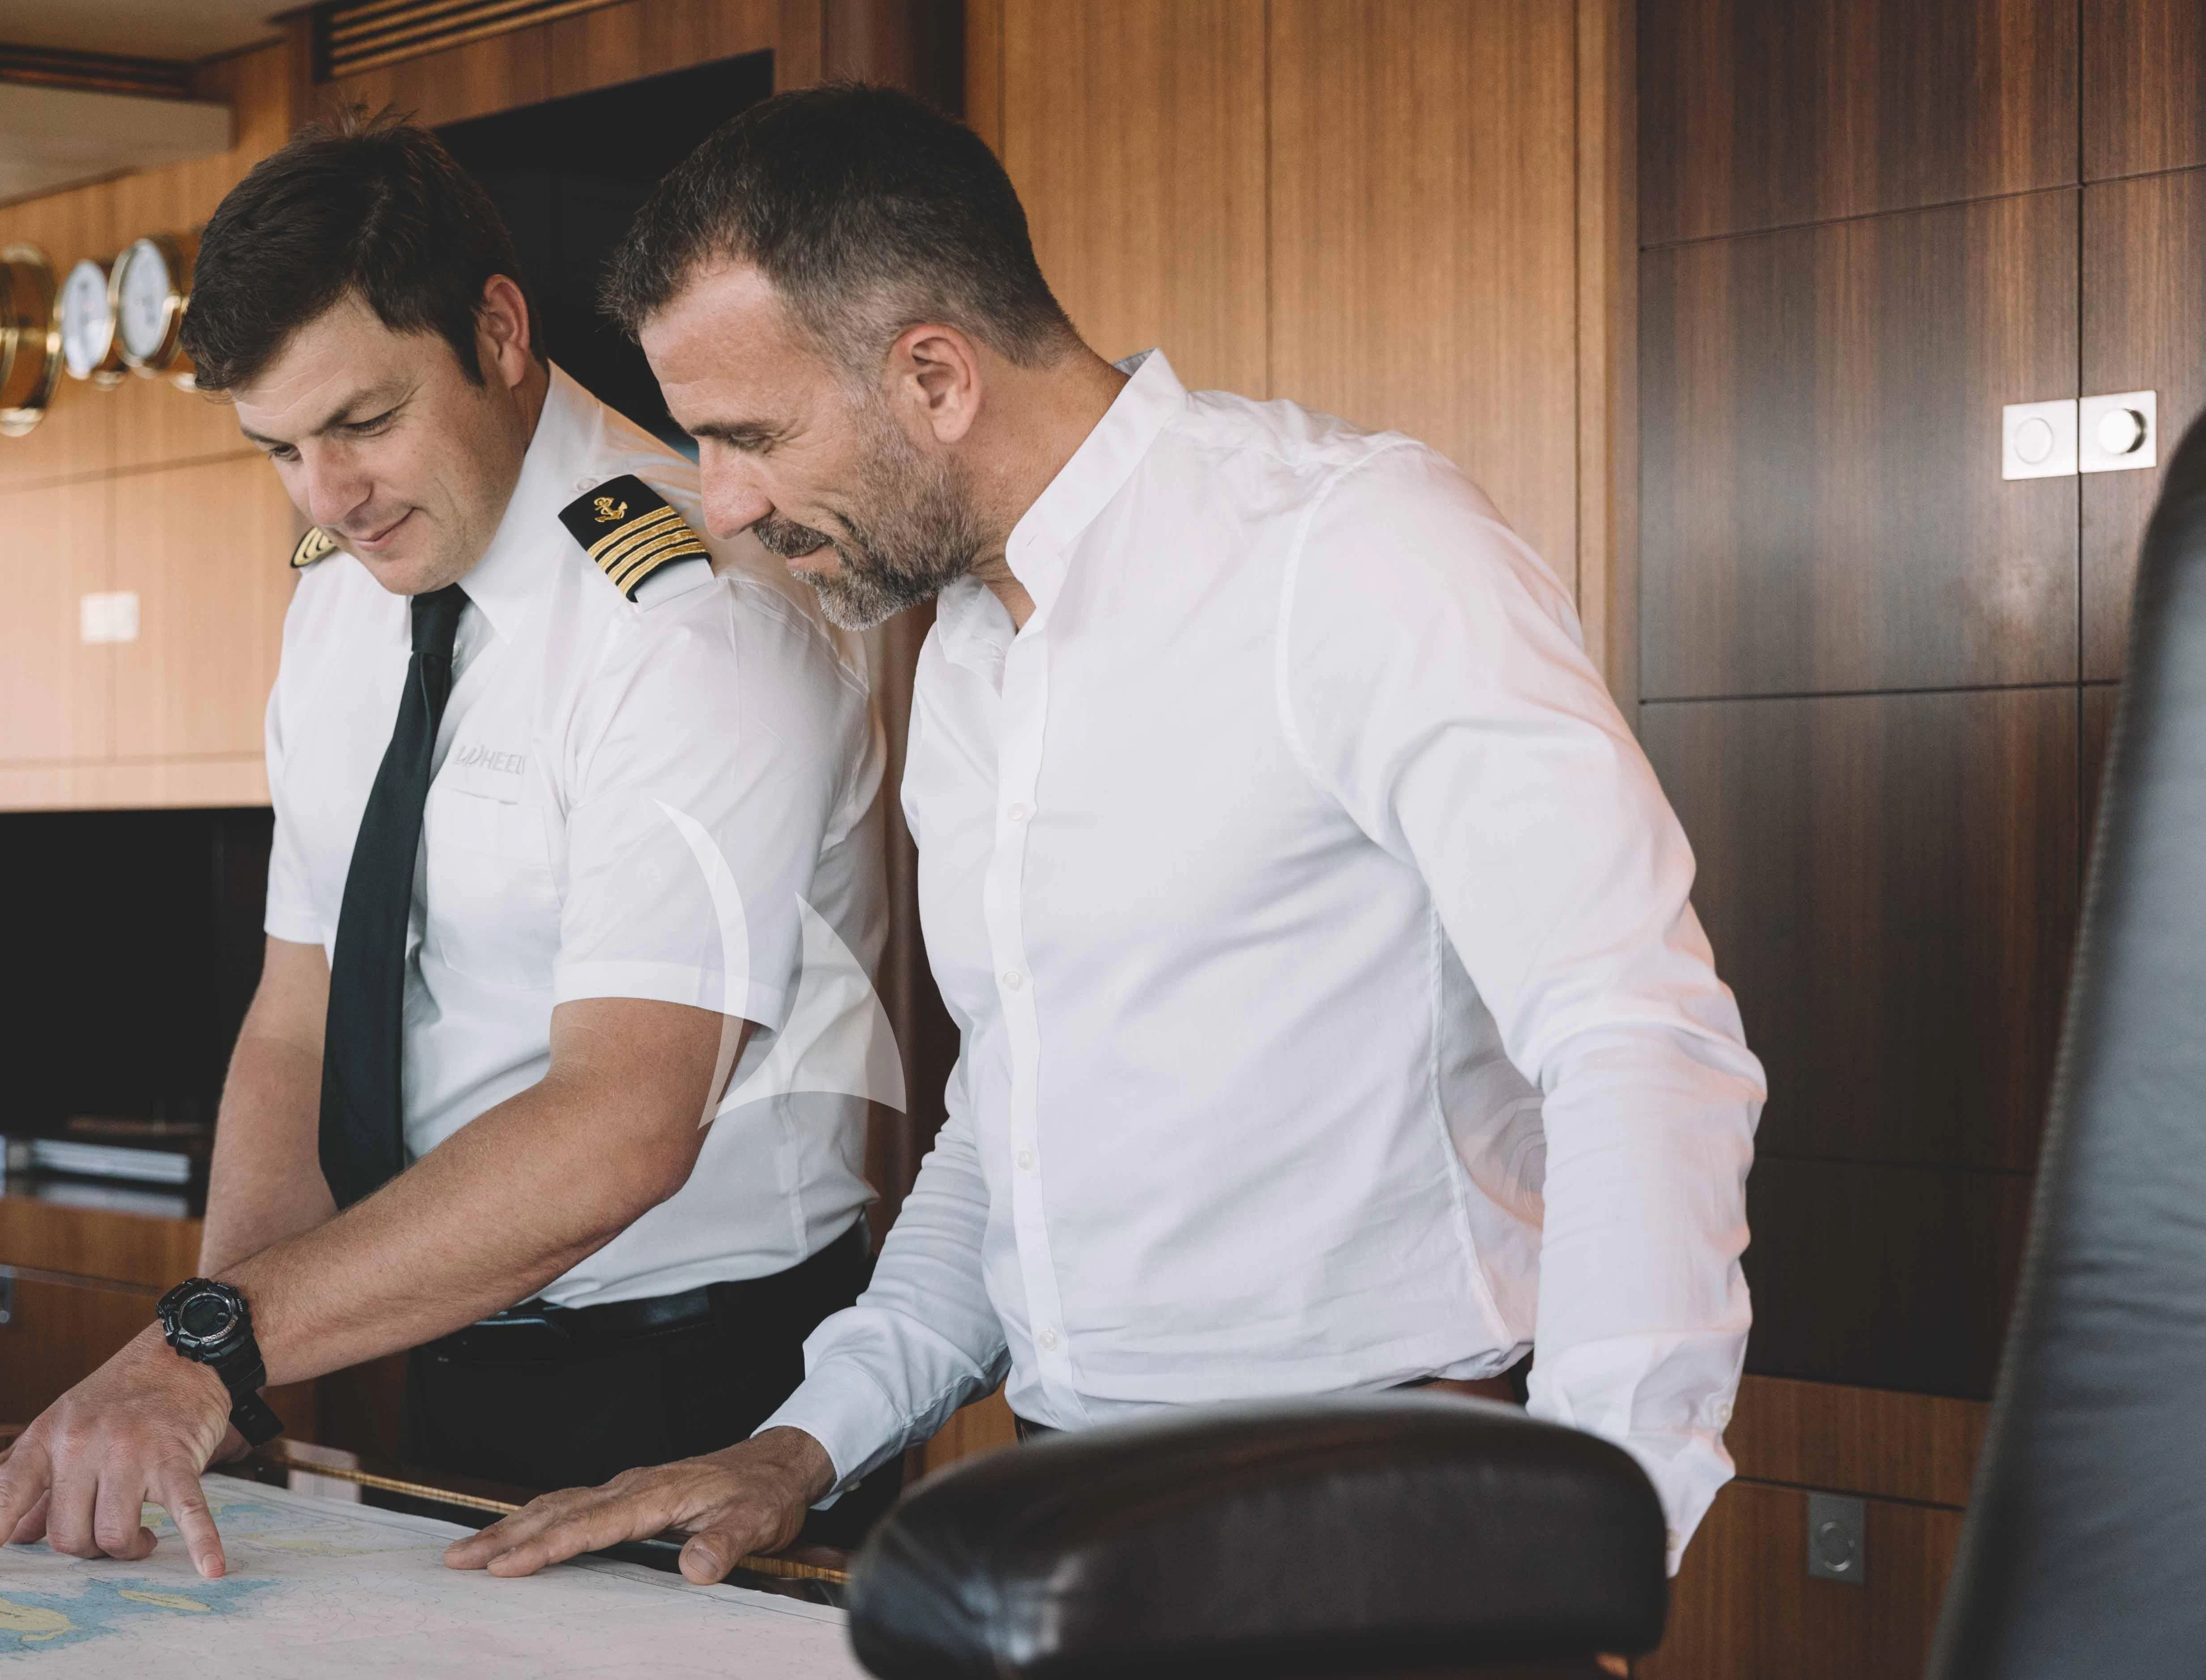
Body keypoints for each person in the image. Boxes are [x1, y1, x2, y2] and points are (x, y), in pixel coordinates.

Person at [446, 84, 1765, 1589]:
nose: (729, 508)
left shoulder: (1354, 552)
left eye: (752, 437)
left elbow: (1637, 1039)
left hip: (1385, 1500)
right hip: (1071, 1502)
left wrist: (1598, 1517)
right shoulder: (965, 655)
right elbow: (1011, 1123)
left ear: (936, 377)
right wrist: (799, 1446)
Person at [0, 114, 888, 1580]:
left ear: (499, 333)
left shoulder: (693, 629)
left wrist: (210, 1354)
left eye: (366, 422)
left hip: (702, 1385)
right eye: (280, 449)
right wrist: (224, 1372)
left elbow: (624, 1123)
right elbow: (298, 1013)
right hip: (423, 1337)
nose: (330, 495)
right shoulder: (342, 598)